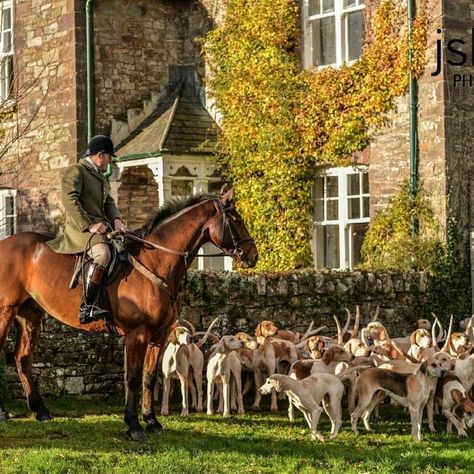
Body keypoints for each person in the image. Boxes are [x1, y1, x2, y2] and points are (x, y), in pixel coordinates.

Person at [48, 135, 127, 324]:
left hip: (102, 228)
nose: (110, 162)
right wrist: (89, 225)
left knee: (126, 248)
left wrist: (116, 219)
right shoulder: (76, 171)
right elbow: (70, 199)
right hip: (80, 229)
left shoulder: (100, 177)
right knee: (103, 255)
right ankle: (87, 306)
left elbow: (108, 201)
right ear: (100, 155)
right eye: (109, 157)